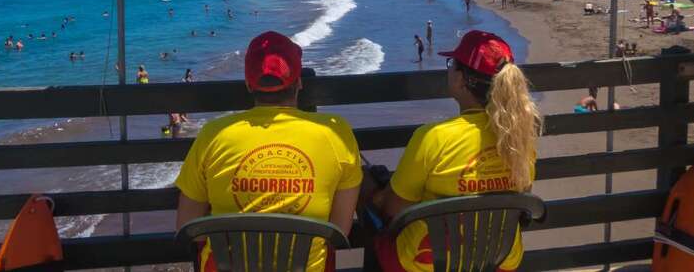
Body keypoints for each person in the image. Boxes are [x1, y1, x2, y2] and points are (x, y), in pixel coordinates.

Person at [175, 31, 362, 272]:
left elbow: (187, 227)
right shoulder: (336, 135)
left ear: (248, 84)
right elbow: (340, 228)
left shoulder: (214, 134)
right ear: (299, 82)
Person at [366, 30, 541, 272]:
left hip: (430, 263)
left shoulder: (435, 137)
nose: (448, 69)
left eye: (452, 64)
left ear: (461, 80)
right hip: (499, 259)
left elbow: (393, 209)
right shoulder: (522, 137)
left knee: (375, 217)